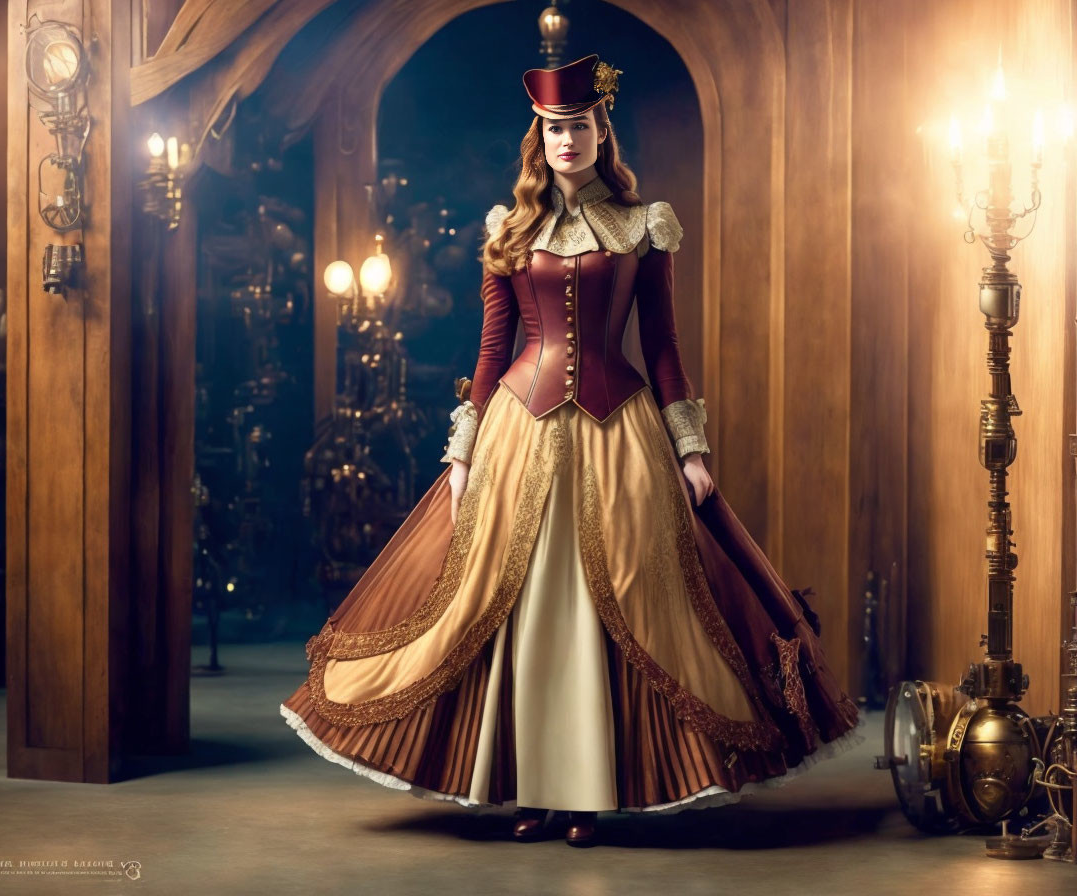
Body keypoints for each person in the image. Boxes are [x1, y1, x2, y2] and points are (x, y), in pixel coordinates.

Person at [281, 53, 863, 848]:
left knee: (608, 604)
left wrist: (690, 448)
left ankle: (585, 793)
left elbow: (662, 347)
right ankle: (533, 790)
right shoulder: (510, 230)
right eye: (556, 129)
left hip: (621, 430)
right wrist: (462, 449)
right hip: (519, 431)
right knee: (519, 610)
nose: (568, 140)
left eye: (580, 126)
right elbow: (492, 350)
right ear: (540, 138)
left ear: (599, 132)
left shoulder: (640, 225)